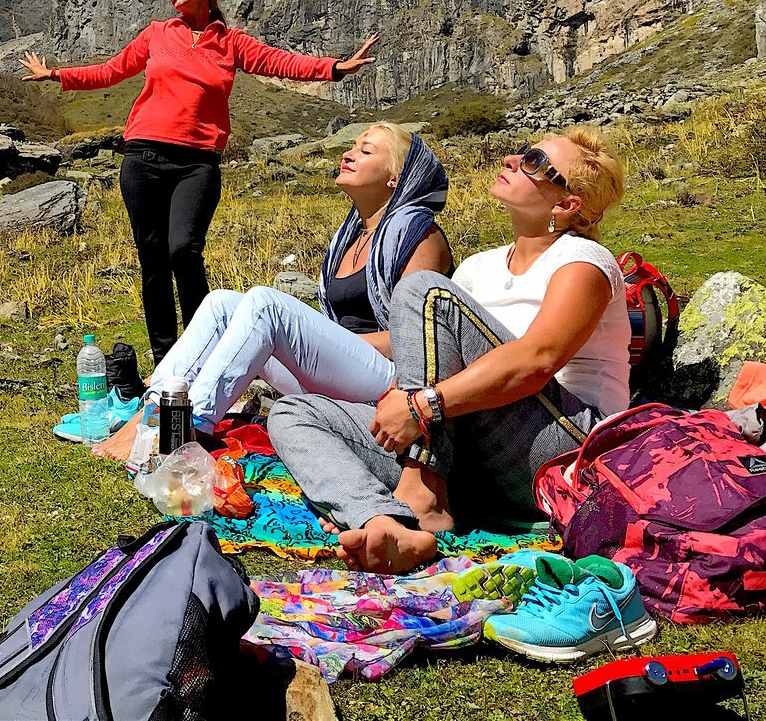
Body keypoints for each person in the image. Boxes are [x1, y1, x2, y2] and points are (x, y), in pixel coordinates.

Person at [266, 128, 629, 573]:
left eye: (534, 161)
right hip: (469, 447)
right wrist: (403, 398)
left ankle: (420, 489)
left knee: (422, 290)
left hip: (563, 449)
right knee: (295, 414)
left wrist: (420, 406)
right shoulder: (480, 267)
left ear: (566, 204)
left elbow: (537, 360)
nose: (513, 160)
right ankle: (383, 521)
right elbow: (427, 353)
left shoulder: (585, 261)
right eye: (520, 152)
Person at [21, 0, 377, 363]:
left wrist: (335, 68)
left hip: (196, 164)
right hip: (142, 158)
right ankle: (166, 360)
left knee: (184, 251)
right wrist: (56, 75)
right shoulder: (156, 34)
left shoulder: (231, 43)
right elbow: (110, 71)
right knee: (152, 260)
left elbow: (280, 62)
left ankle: (202, 350)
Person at [147, 124, 452, 433]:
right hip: (342, 370)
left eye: (365, 151)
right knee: (220, 304)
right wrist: (323, 343)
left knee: (265, 305)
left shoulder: (419, 236)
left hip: (391, 381)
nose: (348, 154)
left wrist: (333, 342)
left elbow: (416, 340)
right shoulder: (351, 237)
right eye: (352, 147)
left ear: (395, 178)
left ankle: (188, 426)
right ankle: (153, 410)